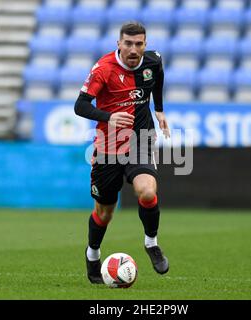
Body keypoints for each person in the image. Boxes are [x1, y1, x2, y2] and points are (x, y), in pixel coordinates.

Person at [74, 22, 170, 284]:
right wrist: (108, 117)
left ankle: (151, 243)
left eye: (138, 44)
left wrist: (159, 109)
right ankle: (93, 253)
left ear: (145, 45)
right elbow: (80, 106)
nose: (133, 49)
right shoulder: (103, 69)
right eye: (128, 43)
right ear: (119, 44)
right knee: (105, 213)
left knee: (147, 191)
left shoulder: (153, 61)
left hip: (140, 140)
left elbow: (159, 75)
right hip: (107, 146)